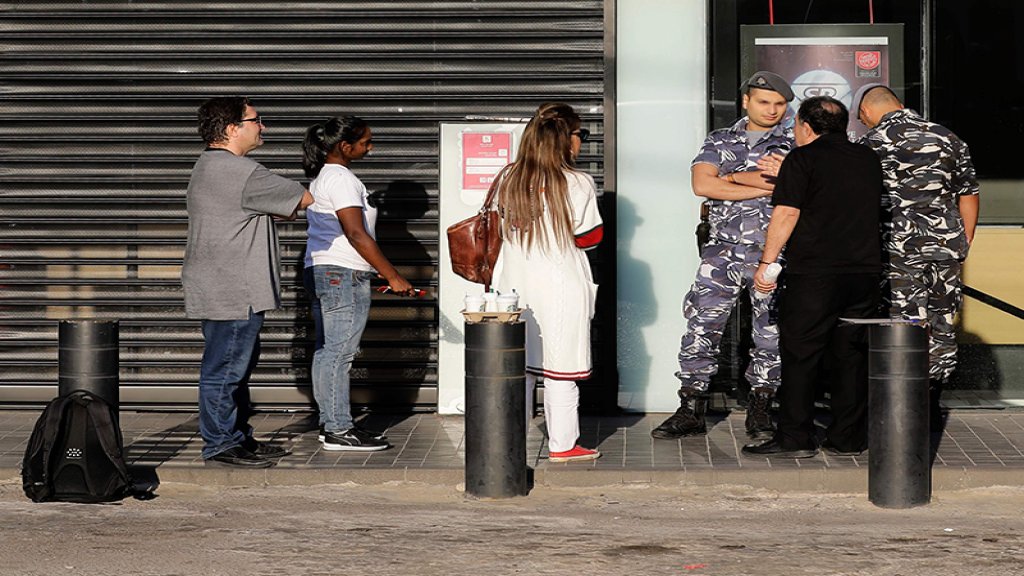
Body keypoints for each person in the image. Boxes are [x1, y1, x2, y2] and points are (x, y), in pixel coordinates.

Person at [652, 71, 794, 441]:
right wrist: (764, 188)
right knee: (702, 326)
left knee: (771, 331)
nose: (773, 110)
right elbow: (702, 184)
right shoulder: (720, 139)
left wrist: (729, 180)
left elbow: (797, 189)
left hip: (773, 253)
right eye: (764, 102)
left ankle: (761, 408)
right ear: (746, 101)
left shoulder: (793, 143)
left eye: (780, 104)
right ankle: (690, 409)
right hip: (722, 254)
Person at [742, 96, 883, 458]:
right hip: (863, 274)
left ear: (805, 126)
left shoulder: (801, 159)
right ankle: (847, 438)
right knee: (850, 357)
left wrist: (766, 264)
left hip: (815, 275)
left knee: (801, 355)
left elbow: (786, 214)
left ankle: (795, 437)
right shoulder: (868, 160)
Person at [182, 96, 313, 468]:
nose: (263, 127)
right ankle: (221, 444)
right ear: (231, 129)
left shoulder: (208, 166)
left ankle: (236, 436)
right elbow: (304, 198)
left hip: (220, 283)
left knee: (233, 367)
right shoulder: (242, 172)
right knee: (225, 370)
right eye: (257, 120)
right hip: (233, 288)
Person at [854, 83, 980, 430]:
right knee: (942, 321)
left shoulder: (869, 144)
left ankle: (904, 410)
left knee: (904, 322)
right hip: (945, 247)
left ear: (865, 113)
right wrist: (962, 241)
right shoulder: (948, 137)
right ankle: (932, 399)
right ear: (901, 104)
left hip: (897, 251)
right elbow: (968, 193)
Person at [490, 102, 604, 463]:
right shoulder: (577, 182)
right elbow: (589, 237)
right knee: (561, 368)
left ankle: (510, 440)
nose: (581, 141)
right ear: (564, 139)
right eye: (580, 134)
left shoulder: (508, 178)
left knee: (517, 366)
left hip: (512, 284)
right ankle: (563, 444)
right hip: (560, 284)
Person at [303, 116, 414, 452]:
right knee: (339, 353)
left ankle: (332, 423)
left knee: (328, 352)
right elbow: (355, 233)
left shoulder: (326, 176)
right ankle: (338, 428)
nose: (371, 147)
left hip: (323, 271)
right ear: (344, 147)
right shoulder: (341, 179)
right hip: (342, 274)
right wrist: (392, 275)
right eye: (366, 142)